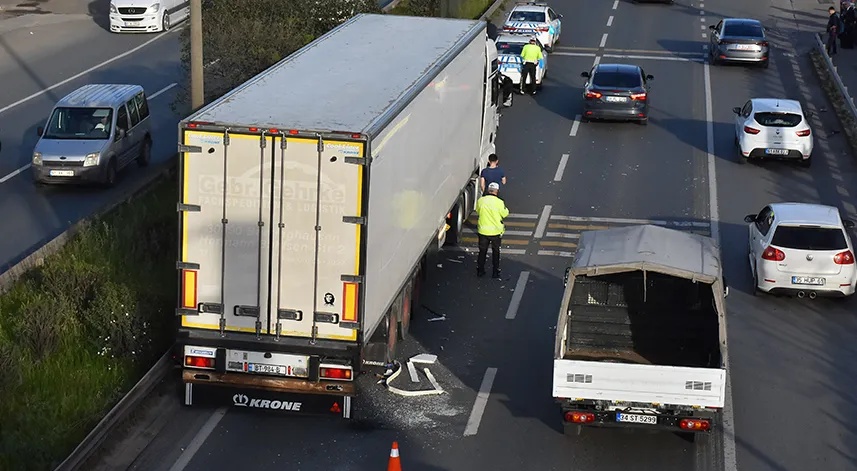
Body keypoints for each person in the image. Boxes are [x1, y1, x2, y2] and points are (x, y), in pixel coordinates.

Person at [475, 182, 509, 279]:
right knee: (496, 252)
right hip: (495, 232)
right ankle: (495, 272)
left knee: (482, 252)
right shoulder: (499, 202)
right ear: (497, 191)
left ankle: (480, 271)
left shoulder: (481, 200)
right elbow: (505, 214)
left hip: (483, 231)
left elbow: (478, 211)